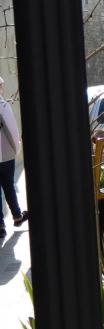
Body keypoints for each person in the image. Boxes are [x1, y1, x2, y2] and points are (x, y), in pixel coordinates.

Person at [0, 77, 27, 239]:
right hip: (5, 154)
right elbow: (12, 130)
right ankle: (17, 216)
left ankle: (1, 226)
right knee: (8, 186)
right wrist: (16, 148)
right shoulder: (3, 105)